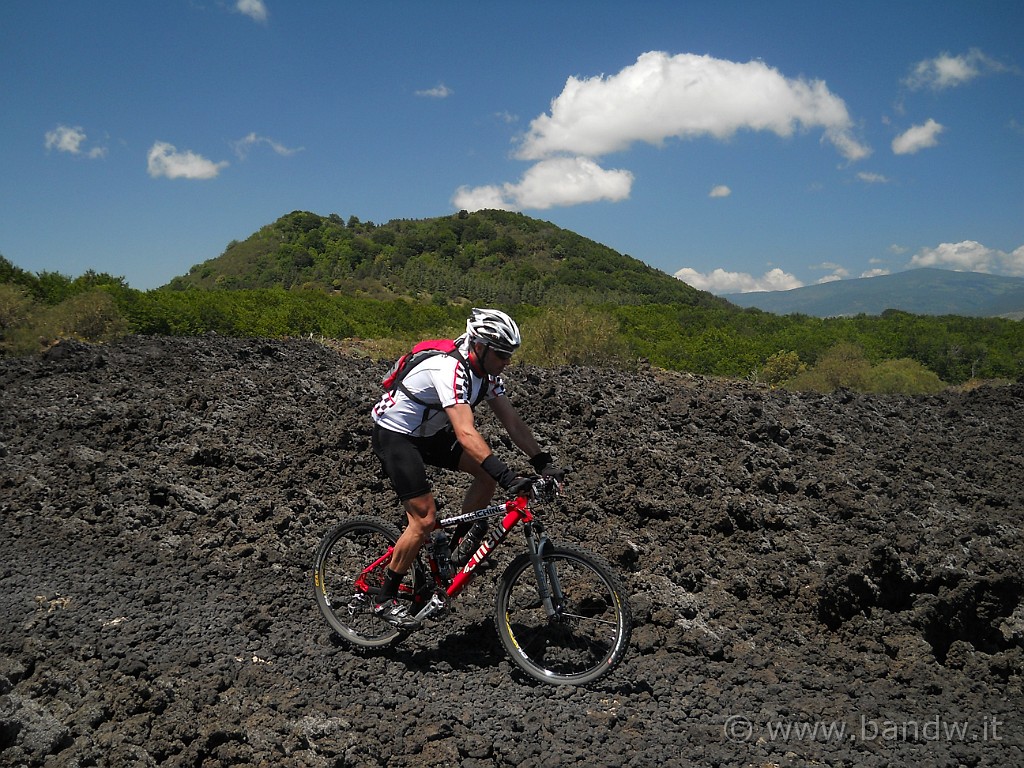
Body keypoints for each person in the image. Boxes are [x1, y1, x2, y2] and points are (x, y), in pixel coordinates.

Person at [369, 307, 564, 629]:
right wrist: (509, 476)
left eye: (510, 354)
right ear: (480, 346)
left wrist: (543, 462)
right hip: (397, 435)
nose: (507, 361)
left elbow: (512, 421)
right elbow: (465, 431)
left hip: (429, 434)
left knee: (485, 476)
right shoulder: (449, 369)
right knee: (424, 519)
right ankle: (384, 598)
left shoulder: (486, 374)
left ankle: (456, 553)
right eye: (502, 354)